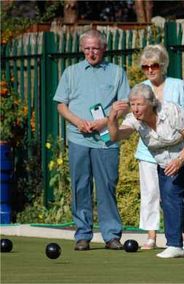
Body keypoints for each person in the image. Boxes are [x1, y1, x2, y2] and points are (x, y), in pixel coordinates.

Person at [53, 29, 130, 251]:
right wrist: (78, 122)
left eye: (95, 48)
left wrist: (105, 122)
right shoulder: (71, 72)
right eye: (87, 48)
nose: (91, 52)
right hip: (78, 137)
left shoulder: (116, 73)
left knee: (107, 186)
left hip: (106, 138)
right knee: (80, 186)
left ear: (103, 48)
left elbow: (124, 105)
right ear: (82, 49)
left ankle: (111, 235)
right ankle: (83, 235)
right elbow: (61, 105)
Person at [108, 83, 184, 258]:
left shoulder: (169, 111)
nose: (135, 109)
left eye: (140, 104)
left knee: (171, 192)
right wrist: (112, 118)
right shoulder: (134, 120)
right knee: (165, 200)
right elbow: (115, 136)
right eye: (133, 104)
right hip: (166, 163)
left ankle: (175, 245)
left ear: (151, 103)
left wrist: (180, 159)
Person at [135, 44, 184, 252]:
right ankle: (151, 236)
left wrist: (182, 152)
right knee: (151, 193)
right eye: (145, 67)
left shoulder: (178, 85)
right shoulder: (140, 87)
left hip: (176, 150)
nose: (150, 70)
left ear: (162, 65)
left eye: (153, 65)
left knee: (173, 196)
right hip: (149, 148)